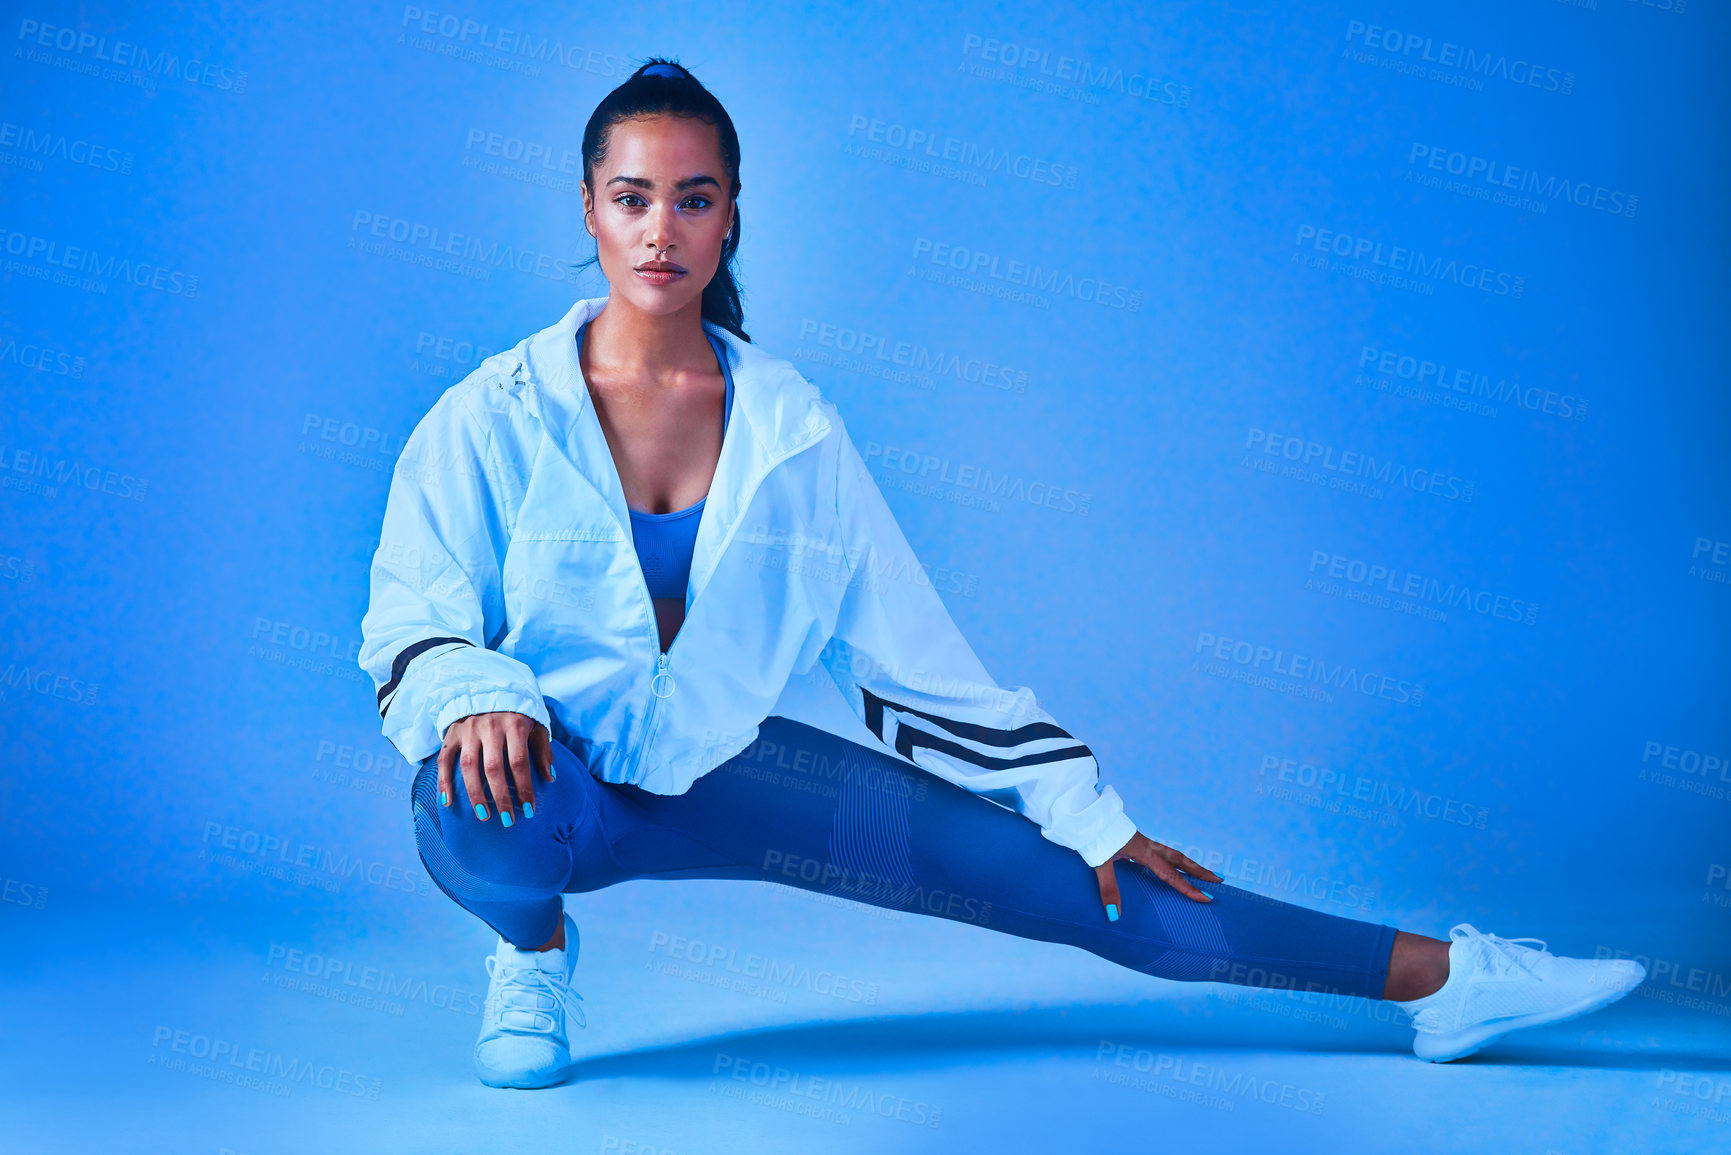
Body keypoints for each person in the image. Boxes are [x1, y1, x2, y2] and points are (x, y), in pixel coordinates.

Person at [358, 58, 1646, 1090]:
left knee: (1113, 899)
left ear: (732, 214)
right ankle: (531, 955)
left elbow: (908, 657)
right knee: (485, 799)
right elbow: (409, 620)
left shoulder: (792, 430)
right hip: (550, 784)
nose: (662, 230)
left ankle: (1444, 980)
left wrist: (1085, 815)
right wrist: (481, 691)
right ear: (588, 211)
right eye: (633, 197)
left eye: (694, 197)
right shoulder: (492, 415)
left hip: (717, 777)